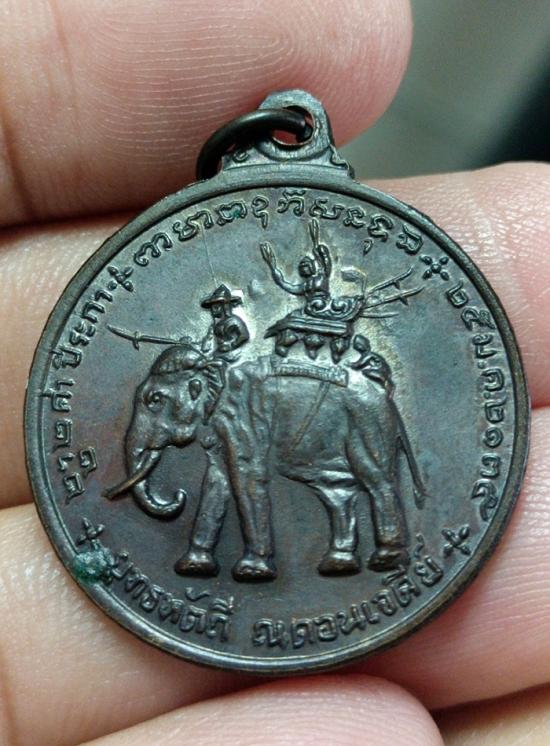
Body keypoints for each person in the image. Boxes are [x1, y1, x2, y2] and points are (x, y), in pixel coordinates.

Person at [0, 2, 548, 744]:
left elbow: (238, 360)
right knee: (264, 476)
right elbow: (223, 376)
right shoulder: (218, 356)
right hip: (239, 394)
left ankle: (335, 543)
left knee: (362, 474)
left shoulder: (247, 342)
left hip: (300, 401)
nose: (223, 310)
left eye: (160, 406)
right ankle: (242, 548)